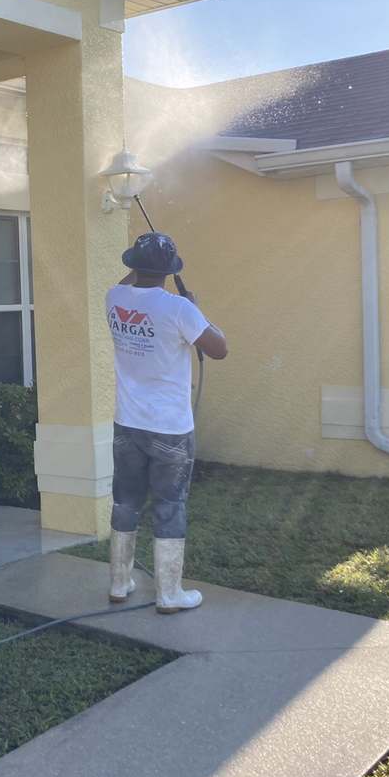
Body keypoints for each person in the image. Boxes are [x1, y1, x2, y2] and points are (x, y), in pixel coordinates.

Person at [105, 231, 227, 613]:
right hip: (170, 429)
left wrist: (140, 269)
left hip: (127, 424)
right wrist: (196, 310)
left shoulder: (114, 297)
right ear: (170, 270)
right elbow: (220, 349)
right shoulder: (179, 309)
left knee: (125, 502)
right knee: (170, 505)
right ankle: (169, 595)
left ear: (133, 265)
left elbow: (128, 283)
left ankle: (119, 584)